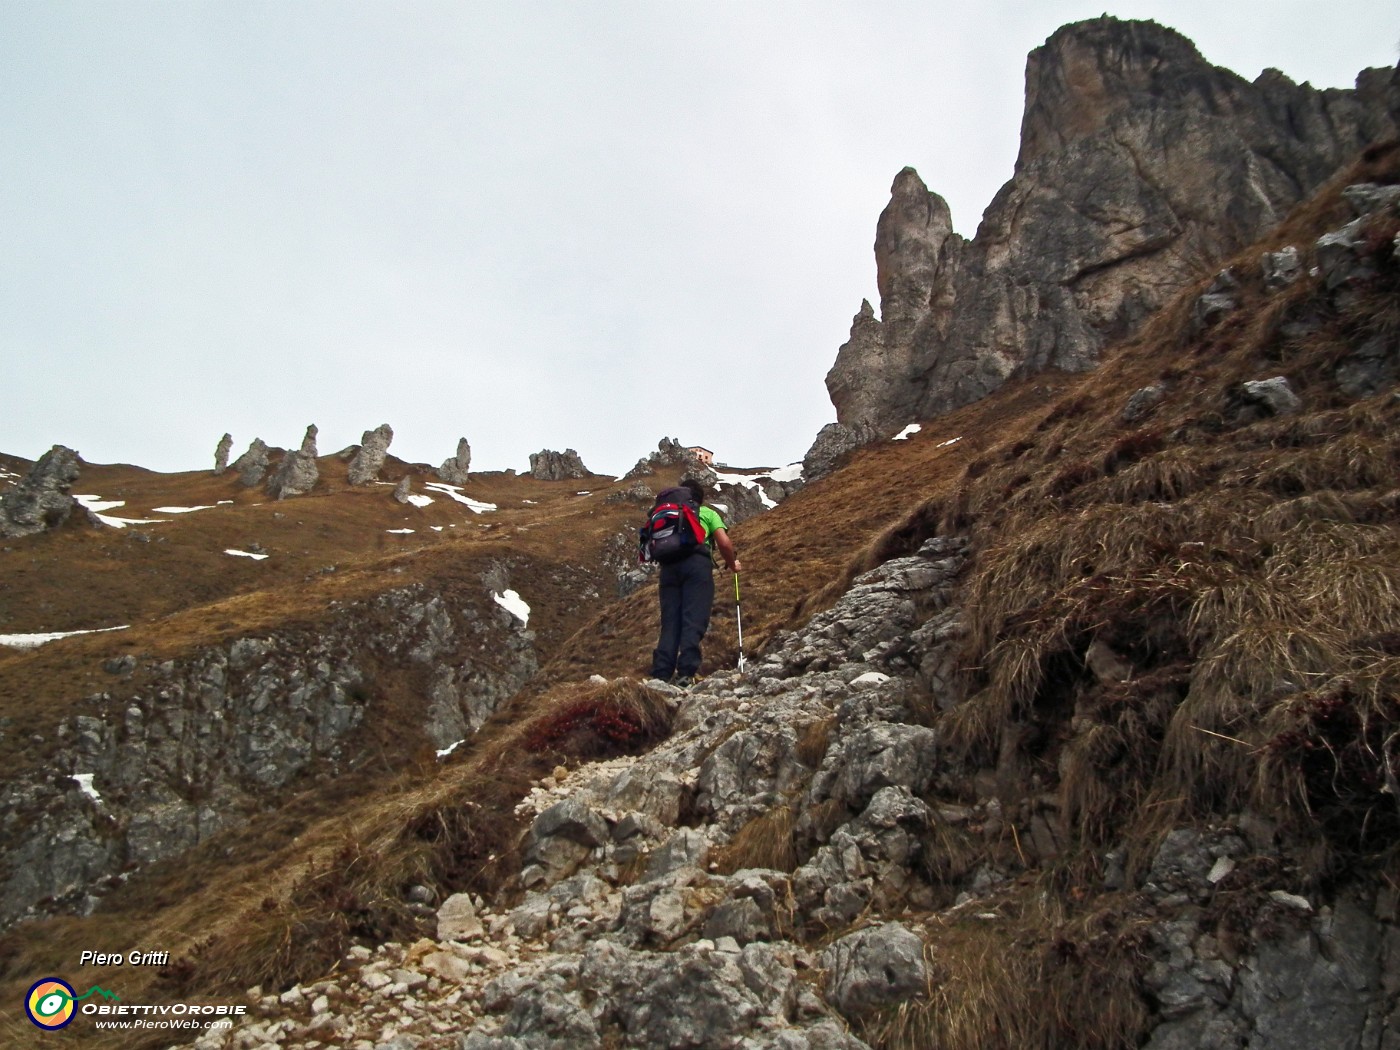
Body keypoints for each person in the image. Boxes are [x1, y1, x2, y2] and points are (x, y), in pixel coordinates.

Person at [651, 477, 741, 685]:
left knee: (670, 622)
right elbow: (724, 543)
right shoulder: (707, 513)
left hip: (668, 568)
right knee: (693, 618)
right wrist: (733, 564)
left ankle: (661, 674)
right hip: (697, 567)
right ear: (700, 498)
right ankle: (686, 673)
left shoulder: (669, 513)